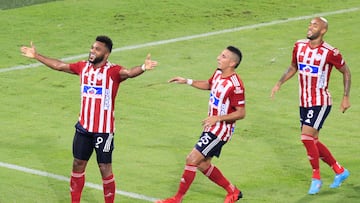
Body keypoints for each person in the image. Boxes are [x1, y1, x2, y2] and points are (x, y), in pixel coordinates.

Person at [20, 35, 158, 203]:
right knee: (78, 164)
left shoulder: (113, 71)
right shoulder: (82, 67)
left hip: (104, 130)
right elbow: (59, 65)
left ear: (106, 55)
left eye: (97, 49)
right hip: (84, 128)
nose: (92, 51)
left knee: (104, 168)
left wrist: (144, 67)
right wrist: (37, 56)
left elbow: (129, 72)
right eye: (92, 48)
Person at [270, 17, 351, 195]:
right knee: (313, 141)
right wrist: (279, 83)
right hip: (304, 102)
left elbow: (346, 71)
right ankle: (340, 170)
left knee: (306, 137)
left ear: (323, 31)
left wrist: (345, 97)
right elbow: (293, 66)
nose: (310, 27)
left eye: (315, 25)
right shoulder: (299, 46)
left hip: (321, 101)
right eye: (310, 24)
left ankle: (316, 178)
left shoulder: (331, 52)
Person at [156, 46, 245, 203]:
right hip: (211, 126)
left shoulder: (235, 85)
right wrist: (187, 81)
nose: (218, 57)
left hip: (221, 130)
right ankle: (233, 191)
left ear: (232, 63)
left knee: (192, 159)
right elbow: (209, 84)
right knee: (203, 164)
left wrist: (218, 118)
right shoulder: (218, 73)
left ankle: (177, 199)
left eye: (223, 56)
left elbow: (241, 113)